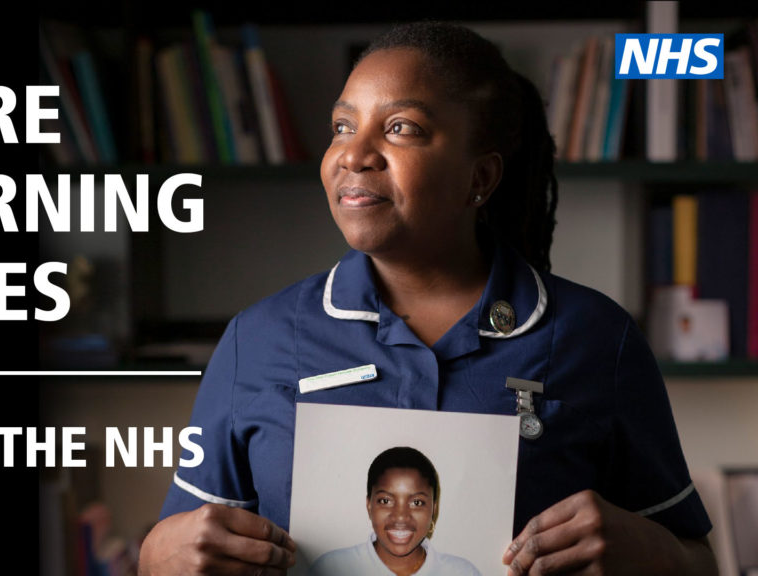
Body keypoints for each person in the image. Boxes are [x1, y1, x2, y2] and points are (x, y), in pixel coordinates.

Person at [138, 22, 717, 576]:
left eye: (401, 128)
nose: (354, 154)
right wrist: (156, 556)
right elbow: (183, 546)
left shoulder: (597, 338)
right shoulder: (256, 339)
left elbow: (698, 561)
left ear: (480, 177)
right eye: (342, 126)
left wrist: (654, 555)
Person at [310, 447, 481, 576]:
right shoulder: (330, 568)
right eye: (385, 501)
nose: (401, 517)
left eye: (417, 502)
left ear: (434, 510)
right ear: (369, 506)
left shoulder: (462, 572)